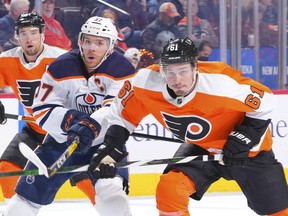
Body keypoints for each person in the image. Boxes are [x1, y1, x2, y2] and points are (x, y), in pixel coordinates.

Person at [86, 37, 288, 216]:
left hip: (249, 153)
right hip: (201, 148)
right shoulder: (145, 83)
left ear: (195, 68)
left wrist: (243, 137)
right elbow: (122, 116)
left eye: (183, 71)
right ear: (162, 70)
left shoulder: (221, 83)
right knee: (169, 189)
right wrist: (111, 147)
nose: (177, 80)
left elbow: (266, 101)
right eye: (170, 72)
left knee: (280, 211)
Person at [3, 16, 135, 216]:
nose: (92, 48)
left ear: (111, 45)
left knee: (111, 195)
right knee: (25, 200)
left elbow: (116, 110)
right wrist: (71, 121)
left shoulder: (123, 70)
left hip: (104, 144)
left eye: (99, 43)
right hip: (60, 142)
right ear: (80, 41)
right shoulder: (61, 66)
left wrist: (90, 127)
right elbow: (42, 108)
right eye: (87, 41)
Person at [0, 12, 67, 201]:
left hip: (65, 133)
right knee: (7, 169)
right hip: (34, 130)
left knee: (89, 182)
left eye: (33, 32)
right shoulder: (6, 60)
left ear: (42, 35)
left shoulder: (61, 59)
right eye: (23, 33)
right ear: (16, 37)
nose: (29, 38)